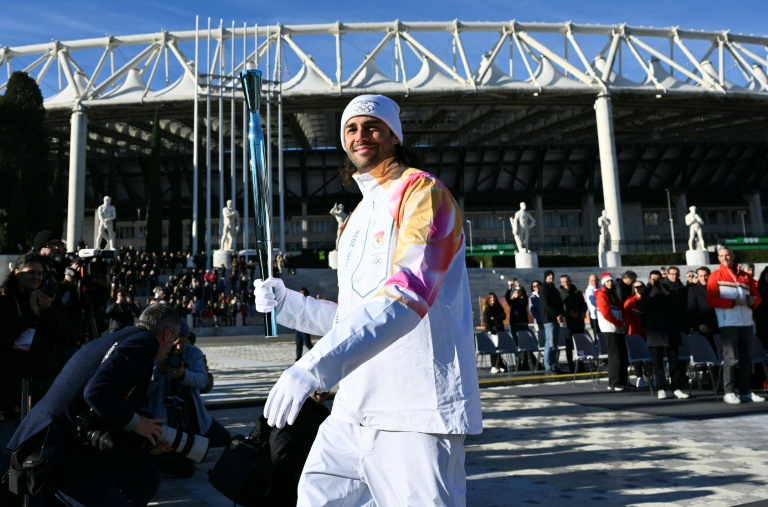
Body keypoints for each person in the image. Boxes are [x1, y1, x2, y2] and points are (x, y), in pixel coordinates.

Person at [252, 94, 482, 506]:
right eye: (352, 128)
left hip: (414, 411)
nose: (362, 136)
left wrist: (313, 367)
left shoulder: (423, 194)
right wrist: (289, 305)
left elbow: (407, 296)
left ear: (394, 135)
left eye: (372, 126)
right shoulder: (356, 218)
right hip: (353, 410)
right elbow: (354, 317)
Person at [7, 303, 182, 506]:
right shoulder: (146, 342)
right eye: (174, 339)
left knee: (146, 476)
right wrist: (137, 423)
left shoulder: (122, 336)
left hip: (62, 437)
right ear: (167, 334)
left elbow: (109, 400)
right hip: (57, 448)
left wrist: (143, 435)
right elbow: (97, 392)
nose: (172, 347)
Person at [144, 320, 231, 478]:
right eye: (175, 342)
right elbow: (143, 390)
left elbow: (203, 381)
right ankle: (155, 458)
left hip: (192, 417)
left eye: (183, 342)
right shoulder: (154, 353)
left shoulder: (193, 352)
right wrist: (157, 372)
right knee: (185, 471)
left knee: (225, 440)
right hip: (165, 420)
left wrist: (184, 375)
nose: (179, 347)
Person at [706, 246, 764, 405]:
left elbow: (757, 297)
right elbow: (711, 300)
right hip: (728, 323)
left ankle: (745, 391)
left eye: (728, 255)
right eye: (722, 255)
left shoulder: (745, 276)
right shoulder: (715, 276)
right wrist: (732, 302)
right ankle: (729, 391)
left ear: (733, 256)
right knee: (730, 358)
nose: (725, 258)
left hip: (746, 322)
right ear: (718, 258)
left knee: (746, 359)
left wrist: (753, 302)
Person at [250, 392, 330, 506]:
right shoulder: (293, 411)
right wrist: (302, 471)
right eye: (316, 385)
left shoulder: (317, 409)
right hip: (283, 488)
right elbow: (280, 456)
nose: (321, 390)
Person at [641, 270, 690, 400]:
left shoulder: (670, 291)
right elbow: (643, 307)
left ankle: (676, 387)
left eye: (659, 279)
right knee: (657, 363)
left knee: (674, 362)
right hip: (655, 332)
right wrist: (652, 294)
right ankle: (661, 388)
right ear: (650, 280)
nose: (656, 282)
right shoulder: (646, 292)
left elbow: (678, 305)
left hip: (671, 331)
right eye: (654, 279)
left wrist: (665, 293)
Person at [596, 272, 628, 391]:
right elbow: (606, 314)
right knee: (615, 357)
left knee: (622, 356)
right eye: (607, 281)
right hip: (610, 329)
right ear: (603, 283)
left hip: (617, 328)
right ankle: (615, 383)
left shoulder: (612, 293)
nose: (610, 283)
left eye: (611, 281)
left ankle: (623, 381)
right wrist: (620, 324)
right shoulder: (602, 294)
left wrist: (622, 324)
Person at [538, 269, 565, 374]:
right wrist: (556, 314)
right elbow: (546, 304)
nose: (551, 276)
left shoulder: (554, 289)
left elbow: (559, 303)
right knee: (550, 343)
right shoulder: (543, 289)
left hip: (556, 319)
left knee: (555, 344)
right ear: (545, 277)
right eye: (549, 275)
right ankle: (548, 366)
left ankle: (554, 365)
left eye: (552, 275)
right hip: (549, 319)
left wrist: (560, 314)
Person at [559, 274, 586, 374]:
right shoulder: (560, 294)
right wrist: (569, 313)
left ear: (570, 281)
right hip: (568, 324)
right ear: (561, 283)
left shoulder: (577, 292)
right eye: (564, 282)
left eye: (567, 281)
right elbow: (560, 308)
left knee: (580, 344)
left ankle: (581, 364)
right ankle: (571, 365)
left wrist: (582, 312)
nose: (566, 283)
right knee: (569, 345)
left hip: (579, 321)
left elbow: (583, 305)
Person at [505, 281, 535, 370]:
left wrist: (520, 287)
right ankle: (518, 362)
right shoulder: (512, 302)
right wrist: (509, 288)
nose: (517, 293)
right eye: (515, 292)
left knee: (525, 344)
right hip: (514, 325)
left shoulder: (523, 302)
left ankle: (525, 361)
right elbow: (507, 296)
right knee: (515, 344)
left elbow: (525, 297)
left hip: (523, 324)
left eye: (518, 292)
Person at [687, 266, 719, 352]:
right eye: (701, 276)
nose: (703, 278)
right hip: (704, 326)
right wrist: (699, 325)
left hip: (719, 324)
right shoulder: (694, 290)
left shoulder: (716, 288)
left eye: (706, 275)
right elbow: (691, 310)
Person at [623, 280, 648, 388]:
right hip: (635, 331)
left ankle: (650, 376)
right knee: (638, 356)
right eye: (636, 287)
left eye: (641, 286)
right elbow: (627, 318)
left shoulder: (648, 299)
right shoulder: (629, 301)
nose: (639, 289)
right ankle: (639, 377)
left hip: (648, 331)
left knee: (649, 355)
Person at [483, 291, 508, 374]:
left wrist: (495, 318)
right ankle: (494, 365)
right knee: (494, 349)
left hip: (500, 330)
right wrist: (489, 330)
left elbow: (503, 316)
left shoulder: (498, 307)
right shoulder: (487, 308)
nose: (492, 299)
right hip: (492, 331)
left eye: (493, 297)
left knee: (499, 348)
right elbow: (487, 320)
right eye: (490, 298)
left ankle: (500, 364)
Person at [295, 288, 313, 361]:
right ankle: (298, 358)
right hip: (298, 327)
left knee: (307, 343)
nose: (302, 294)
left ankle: (314, 356)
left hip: (305, 327)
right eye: (300, 293)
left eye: (303, 293)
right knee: (298, 344)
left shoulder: (308, 302)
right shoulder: (298, 302)